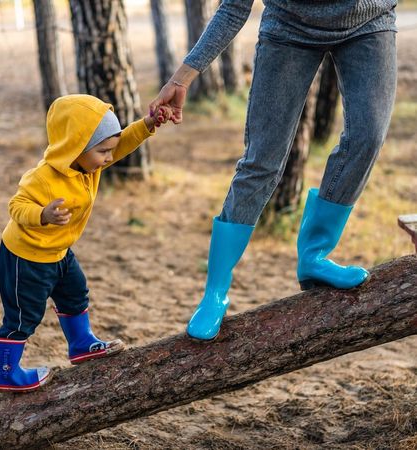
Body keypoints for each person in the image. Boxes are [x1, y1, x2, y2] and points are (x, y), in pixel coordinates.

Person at [149, 0, 397, 341]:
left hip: (370, 21)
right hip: (289, 28)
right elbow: (233, 7)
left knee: (367, 138)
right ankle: (215, 293)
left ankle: (314, 255)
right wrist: (183, 77)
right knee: (261, 162)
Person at [0, 94, 171, 393]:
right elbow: (16, 205)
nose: (109, 158)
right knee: (24, 316)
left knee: (75, 293)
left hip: (60, 252)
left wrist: (148, 124)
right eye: (103, 151)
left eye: (109, 151)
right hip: (27, 256)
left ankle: (81, 344)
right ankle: (6, 373)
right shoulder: (43, 177)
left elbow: (121, 143)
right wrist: (42, 214)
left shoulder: (90, 164)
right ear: (76, 147)